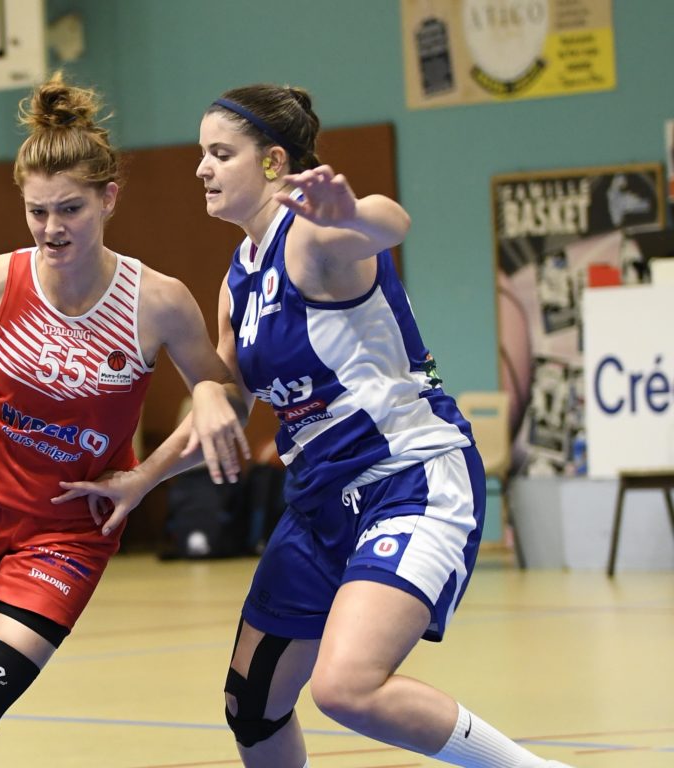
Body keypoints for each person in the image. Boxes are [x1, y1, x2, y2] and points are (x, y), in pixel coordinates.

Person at [59, 84, 571, 768]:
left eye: (219, 153)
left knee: (346, 687)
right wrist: (141, 480)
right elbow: (230, 404)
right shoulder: (237, 280)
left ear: (273, 163)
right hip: (319, 504)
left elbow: (390, 223)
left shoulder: (315, 236)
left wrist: (352, 211)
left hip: (407, 481)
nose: (201, 169)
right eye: (200, 154)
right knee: (252, 703)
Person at [0, 73, 243, 768]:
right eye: (38, 212)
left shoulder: (159, 302)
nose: (53, 228)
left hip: (66, 533)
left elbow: (228, 398)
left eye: (70, 210)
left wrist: (148, 473)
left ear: (108, 198)